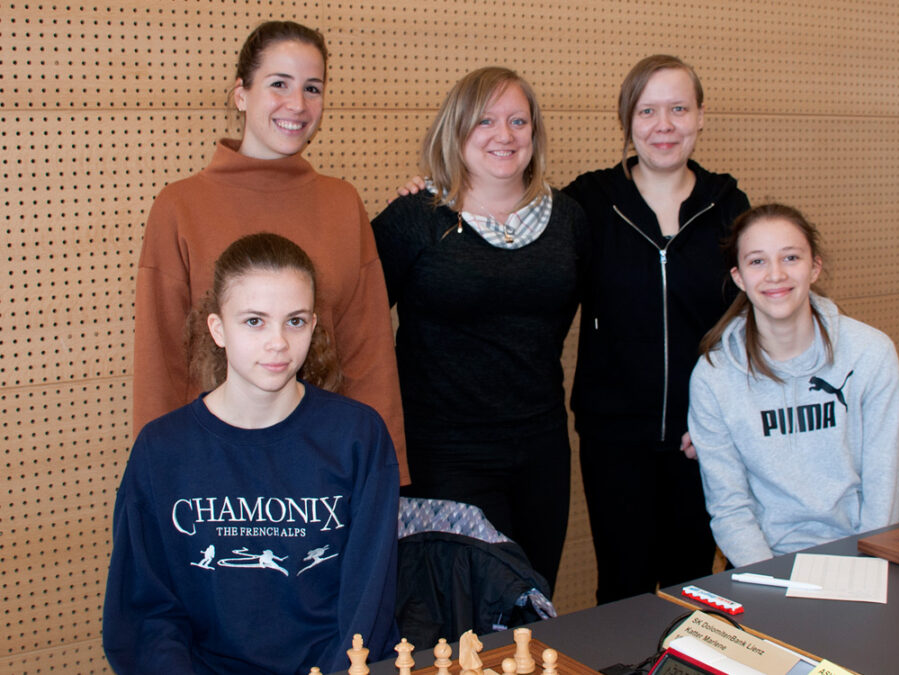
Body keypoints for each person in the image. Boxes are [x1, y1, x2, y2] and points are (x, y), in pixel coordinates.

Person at [103, 233, 399, 674]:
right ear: (218, 329)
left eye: (295, 321)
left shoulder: (357, 436)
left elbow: (368, 601)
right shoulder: (162, 450)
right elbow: (146, 611)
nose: (278, 342)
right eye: (254, 321)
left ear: (314, 325)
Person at [132, 20, 408, 483]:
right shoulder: (180, 206)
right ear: (241, 93)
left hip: (326, 467)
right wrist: (160, 471)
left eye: (312, 88)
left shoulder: (342, 203)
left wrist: (383, 471)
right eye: (279, 84)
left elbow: (369, 352)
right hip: (216, 469)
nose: (298, 105)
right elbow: (162, 358)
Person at [372, 67, 587, 590]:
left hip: (540, 449)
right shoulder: (415, 219)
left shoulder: (569, 221)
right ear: (458, 128)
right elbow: (359, 327)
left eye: (519, 120)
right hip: (444, 454)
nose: (505, 135)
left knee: (534, 605)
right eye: (486, 121)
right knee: (466, 615)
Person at [562, 55, 750, 603]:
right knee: (623, 590)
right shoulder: (589, 203)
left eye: (677, 108)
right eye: (648, 110)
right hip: (614, 439)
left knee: (697, 587)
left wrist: (725, 419)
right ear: (627, 119)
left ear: (699, 116)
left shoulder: (726, 204)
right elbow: (506, 227)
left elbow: (750, 322)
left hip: (703, 438)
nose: (663, 125)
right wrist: (433, 192)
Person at [688, 203, 899, 567]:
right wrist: (772, 581)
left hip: (866, 552)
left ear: (815, 267)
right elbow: (730, 508)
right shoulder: (714, 375)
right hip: (766, 561)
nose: (775, 275)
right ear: (740, 277)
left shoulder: (871, 353)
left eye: (790, 257)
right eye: (757, 261)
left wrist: (862, 571)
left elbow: (882, 486)